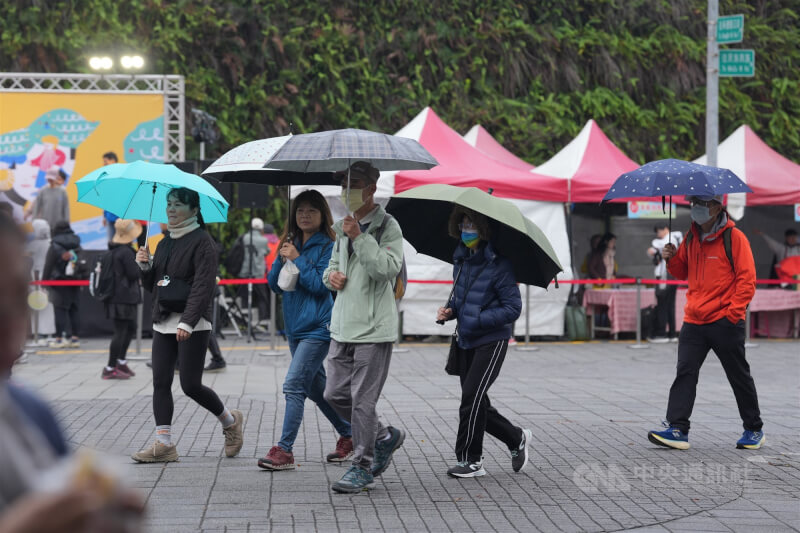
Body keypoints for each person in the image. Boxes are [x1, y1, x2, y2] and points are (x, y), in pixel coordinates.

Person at [0, 211, 145, 532]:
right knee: (120, 336)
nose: (16, 330)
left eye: (21, 300)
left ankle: (114, 363)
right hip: (123, 301)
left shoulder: (32, 414)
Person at [132, 187, 244, 463]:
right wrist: (145, 267)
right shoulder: (165, 241)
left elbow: (203, 287)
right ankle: (164, 444)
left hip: (193, 323)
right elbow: (155, 287)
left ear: (194, 210)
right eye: (168, 204)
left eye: (178, 205)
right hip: (163, 321)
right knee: (160, 381)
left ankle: (230, 422)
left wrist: (188, 321)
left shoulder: (203, 242)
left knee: (191, 385)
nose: (170, 209)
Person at [648, 194, 764, 450]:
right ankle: (677, 429)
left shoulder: (735, 239)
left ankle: (754, 429)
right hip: (694, 320)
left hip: (724, 321)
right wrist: (671, 258)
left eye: (701, 204)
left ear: (716, 207)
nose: (695, 209)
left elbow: (747, 280)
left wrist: (732, 314)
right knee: (685, 373)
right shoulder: (691, 237)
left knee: (738, 375)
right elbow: (682, 272)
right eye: (693, 204)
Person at [322, 161, 406, 493]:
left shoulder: (388, 226)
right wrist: (332, 277)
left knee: (362, 400)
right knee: (334, 393)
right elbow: (329, 269)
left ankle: (362, 464)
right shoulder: (342, 225)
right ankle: (385, 435)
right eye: (344, 183)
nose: (347, 190)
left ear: (372, 188)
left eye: (354, 183)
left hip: (374, 328)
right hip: (342, 325)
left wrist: (360, 238)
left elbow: (386, 269)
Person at [257, 190, 352, 471]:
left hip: (318, 327)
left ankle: (284, 450)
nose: (305, 215)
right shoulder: (290, 242)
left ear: (323, 214)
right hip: (294, 328)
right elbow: (275, 284)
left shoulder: (328, 246)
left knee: (294, 385)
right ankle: (349, 433)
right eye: (300, 211)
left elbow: (321, 285)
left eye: (311, 210)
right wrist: (282, 257)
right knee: (314, 386)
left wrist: (298, 258)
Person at [435, 207, 530, 478]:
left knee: (471, 399)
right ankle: (516, 438)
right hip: (466, 339)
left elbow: (513, 308)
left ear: (485, 230)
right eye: (463, 225)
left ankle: (471, 460)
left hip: (492, 339)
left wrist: (477, 317)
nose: (467, 231)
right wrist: (450, 311)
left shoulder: (500, 265)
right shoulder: (461, 259)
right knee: (478, 403)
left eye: (472, 226)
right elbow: (461, 299)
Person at [102, 219, 142, 380]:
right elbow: (134, 274)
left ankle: (120, 361)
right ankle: (110, 367)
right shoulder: (125, 252)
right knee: (121, 332)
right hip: (123, 297)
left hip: (119, 296)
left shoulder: (116, 249)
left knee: (130, 328)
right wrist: (140, 261)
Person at [42, 220, 82, 348]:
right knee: (73, 309)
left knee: (59, 309)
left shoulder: (54, 244)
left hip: (58, 281)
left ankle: (59, 339)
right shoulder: (77, 242)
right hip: (75, 280)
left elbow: (48, 265)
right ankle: (75, 338)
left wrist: (44, 281)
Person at [647, 223, 683, 342]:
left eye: (659, 231)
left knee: (662, 304)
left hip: (664, 275)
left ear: (666, 229)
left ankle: (661, 333)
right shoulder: (677, 238)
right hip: (673, 275)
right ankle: (672, 333)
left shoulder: (669, 239)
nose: (658, 234)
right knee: (670, 304)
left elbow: (653, 248)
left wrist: (653, 250)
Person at [236, 217, 269, 323]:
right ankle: (262, 320)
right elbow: (267, 252)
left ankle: (244, 321)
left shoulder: (245, 237)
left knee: (244, 297)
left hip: (245, 271)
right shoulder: (263, 240)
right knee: (262, 297)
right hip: (259, 273)